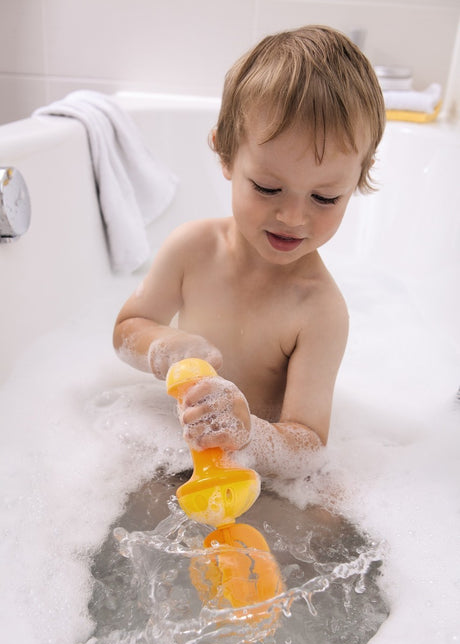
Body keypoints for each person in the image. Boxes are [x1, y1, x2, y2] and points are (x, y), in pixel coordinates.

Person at [113, 25, 385, 478]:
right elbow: (127, 329)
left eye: (324, 198)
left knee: (325, 516)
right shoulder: (192, 249)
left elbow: (308, 446)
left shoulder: (318, 309)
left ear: (358, 179)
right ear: (225, 154)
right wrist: (163, 345)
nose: (293, 217)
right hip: (171, 444)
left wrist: (248, 434)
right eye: (267, 187)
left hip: (260, 475)